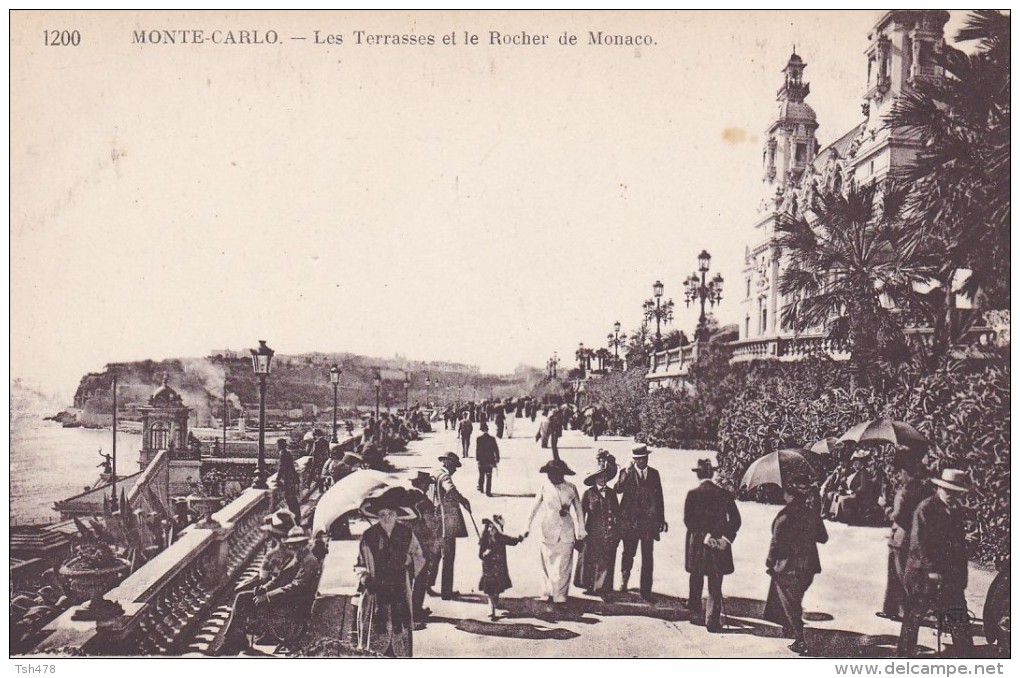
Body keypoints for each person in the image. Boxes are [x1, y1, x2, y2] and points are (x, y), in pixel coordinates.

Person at [897, 469, 974, 658]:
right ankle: (905, 655)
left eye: (956, 492)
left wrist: (960, 577)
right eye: (948, 491)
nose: (951, 496)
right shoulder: (926, 508)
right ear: (939, 488)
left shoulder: (956, 510)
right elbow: (919, 542)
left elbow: (958, 546)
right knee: (915, 615)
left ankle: (966, 657)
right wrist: (931, 570)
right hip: (922, 573)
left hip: (949, 574)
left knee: (958, 614)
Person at [220, 524, 322, 653]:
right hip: (284, 598)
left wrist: (268, 596)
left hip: (292, 603)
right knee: (242, 597)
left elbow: (297, 586)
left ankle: (232, 641)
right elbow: (278, 579)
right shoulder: (298, 557)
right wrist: (264, 588)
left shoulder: (308, 561)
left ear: (304, 543)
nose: (294, 547)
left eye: (297, 544)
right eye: (293, 544)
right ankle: (234, 640)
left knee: (243, 600)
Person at [355, 488, 426, 657]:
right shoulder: (369, 536)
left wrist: (408, 563)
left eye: (390, 514)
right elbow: (359, 564)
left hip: (399, 589)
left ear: (396, 515)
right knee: (376, 639)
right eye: (382, 514)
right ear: (378, 517)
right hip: (375, 592)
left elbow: (419, 556)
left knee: (399, 635)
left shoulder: (406, 534)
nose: (386, 518)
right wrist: (365, 578)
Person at [763, 475, 829, 656]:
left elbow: (775, 543)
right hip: (808, 566)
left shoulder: (784, 517)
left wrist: (770, 563)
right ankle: (790, 628)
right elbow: (823, 538)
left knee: (791, 604)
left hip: (788, 567)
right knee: (794, 599)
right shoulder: (811, 514)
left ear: (790, 496)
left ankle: (800, 640)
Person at [684, 459, 742, 631]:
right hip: (719, 546)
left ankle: (695, 615)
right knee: (715, 582)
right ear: (712, 474)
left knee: (696, 578)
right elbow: (736, 520)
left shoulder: (692, 494)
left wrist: (704, 536)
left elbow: (689, 521)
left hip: (698, 545)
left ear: (698, 474)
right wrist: (725, 538)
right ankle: (712, 620)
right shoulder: (724, 494)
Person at [878, 456, 931, 621]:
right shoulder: (927, 491)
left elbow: (898, 516)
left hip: (900, 537)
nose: (899, 476)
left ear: (907, 473)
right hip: (915, 538)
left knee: (897, 575)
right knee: (906, 575)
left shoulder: (904, 492)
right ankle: (894, 609)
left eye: (901, 472)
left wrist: (884, 506)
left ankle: (897, 610)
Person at [526, 459, 586, 604]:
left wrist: (581, 529)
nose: (551, 477)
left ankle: (561, 596)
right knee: (547, 561)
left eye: (554, 474)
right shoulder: (544, 487)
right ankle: (547, 592)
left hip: (566, 530)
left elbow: (579, 510)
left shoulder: (571, 488)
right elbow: (534, 507)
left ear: (562, 474)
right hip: (547, 528)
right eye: (549, 474)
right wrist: (527, 526)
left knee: (564, 565)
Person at [614, 445, 667, 601]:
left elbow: (659, 498)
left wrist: (661, 519)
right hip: (629, 522)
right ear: (634, 460)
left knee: (648, 556)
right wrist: (626, 472)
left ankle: (646, 590)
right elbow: (618, 490)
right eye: (639, 459)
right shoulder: (627, 473)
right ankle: (624, 580)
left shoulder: (654, 474)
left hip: (648, 524)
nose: (643, 461)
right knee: (628, 553)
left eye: (645, 458)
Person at [573, 465, 620, 597]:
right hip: (592, 532)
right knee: (591, 559)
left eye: (605, 477)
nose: (603, 479)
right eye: (600, 477)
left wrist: (617, 530)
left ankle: (602, 588)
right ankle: (590, 586)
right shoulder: (588, 494)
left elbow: (617, 512)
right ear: (594, 479)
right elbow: (581, 513)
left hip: (608, 531)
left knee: (606, 559)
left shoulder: (611, 493)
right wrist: (581, 531)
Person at [431, 452, 471, 599]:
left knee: (434, 555)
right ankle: (446, 592)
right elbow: (451, 490)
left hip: (434, 521)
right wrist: (463, 500)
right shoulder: (444, 476)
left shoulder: (433, 473)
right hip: (446, 523)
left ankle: (428, 585)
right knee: (448, 556)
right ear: (447, 462)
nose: (455, 470)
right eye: (454, 466)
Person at [407, 472, 440, 626]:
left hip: (406, 544)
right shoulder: (424, 501)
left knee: (408, 578)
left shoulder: (407, 497)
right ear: (420, 484)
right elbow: (431, 524)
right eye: (426, 483)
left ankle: (411, 610)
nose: (428, 487)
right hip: (421, 544)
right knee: (420, 579)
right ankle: (416, 612)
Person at [478, 515, 526, 620]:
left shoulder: (501, 538)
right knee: (490, 590)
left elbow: (511, 541)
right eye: (489, 527)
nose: (490, 529)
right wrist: (485, 553)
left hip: (500, 569)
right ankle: (491, 611)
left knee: (497, 589)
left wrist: (520, 538)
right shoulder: (484, 539)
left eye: (493, 528)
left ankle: (495, 601)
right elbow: (480, 554)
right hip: (489, 569)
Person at [831, 449, 881, 524]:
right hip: (856, 493)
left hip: (861, 496)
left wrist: (852, 492)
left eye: (856, 463)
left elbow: (863, 487)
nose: (854, 465)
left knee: (843, 499)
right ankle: (837, 515)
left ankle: (849, 519)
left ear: (861, 464)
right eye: (854, 464)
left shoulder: (863, 473)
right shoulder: (858, 472)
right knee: (837, 496)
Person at [475, 422, 500, 496]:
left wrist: (477, 459)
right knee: (489, 476)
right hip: (490, 460)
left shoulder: (479, 439)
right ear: (487, 430)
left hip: (482, 460)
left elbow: (477, 450)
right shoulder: (492, 439)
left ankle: (481, 488)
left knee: (481, 474)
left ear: (482, 430)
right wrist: (497, 458)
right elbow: (496, 449)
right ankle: (488, 492)